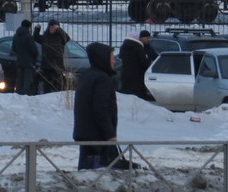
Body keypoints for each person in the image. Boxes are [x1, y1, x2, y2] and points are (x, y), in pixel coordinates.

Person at [73, 41, 132, 170]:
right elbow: (101, 109)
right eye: (111, 58)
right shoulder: (102, 79)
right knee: (99, 174)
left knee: (85, 173)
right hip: (98, 136)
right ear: (103, 59)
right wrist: (110, 134)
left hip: (85, 134)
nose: (114, 61)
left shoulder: (86, 76)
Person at [35, 19, 71, 93]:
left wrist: (59, 30)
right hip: (46, 65)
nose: (52, 29)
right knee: (47, 84)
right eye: (51, 27)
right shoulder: (45, 36)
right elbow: (36, 38)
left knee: (58, 83)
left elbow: (67, 38)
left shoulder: (60, 37)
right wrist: (37, 30)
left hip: (57, 65)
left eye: (54, 27)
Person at [118, 30, 155, 101]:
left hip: (126, 72)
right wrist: (148, 67)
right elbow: (143, 60)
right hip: (137, 73)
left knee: (127, 92)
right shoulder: (138, 47)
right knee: (138, 95)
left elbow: (121, 58)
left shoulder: (123, 46)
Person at [12, 18, 39, 95]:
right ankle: (26, 94)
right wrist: (34, 57)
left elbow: (13, 48)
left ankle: (18, 93)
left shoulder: (16, 36)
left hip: (19, 60)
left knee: (19, 78)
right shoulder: (28, 36)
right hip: (28, 61)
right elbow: (34, 50)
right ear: (28, 27)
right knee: (27, 79)